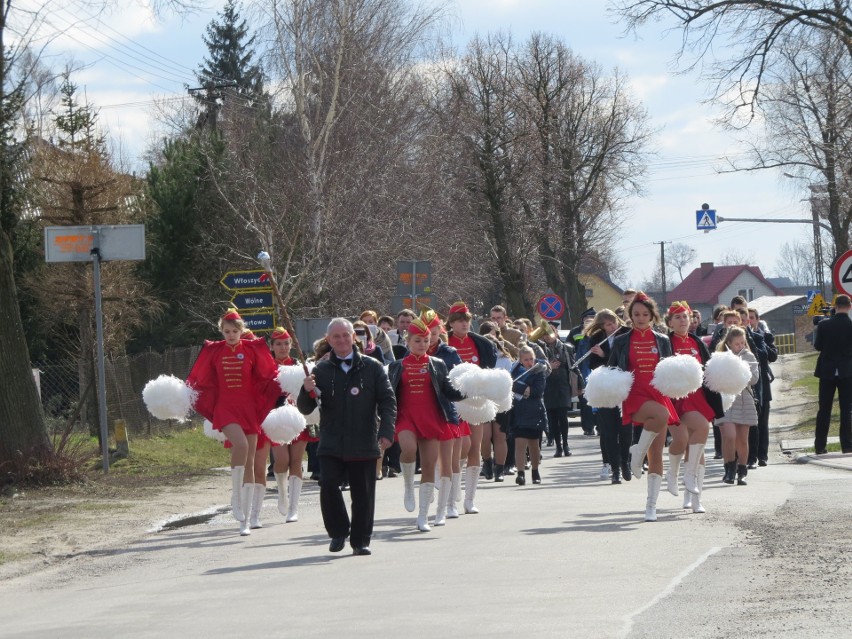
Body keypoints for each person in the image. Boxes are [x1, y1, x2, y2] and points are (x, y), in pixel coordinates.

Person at [297, 318, 397, 556]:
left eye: (345, 335)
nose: (341, 340)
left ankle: (360, 540)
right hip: (332, 440)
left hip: (364, 439)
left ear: (354, 337)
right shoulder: (320, 370)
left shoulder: (371, 367)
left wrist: (386, 431)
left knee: (363, 493)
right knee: (329, 485)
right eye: (336, 337)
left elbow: (387, 401)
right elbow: (304, 408)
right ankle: (338, 531)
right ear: (328, 340)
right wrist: (306, 390)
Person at [186, 308, 280, 536]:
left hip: (248, 408)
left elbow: (268, 373)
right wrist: (185, 392)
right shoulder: (214, 350)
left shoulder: (252, 349)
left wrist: (287, 380)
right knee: (242, 445)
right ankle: (236, 496)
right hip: (225, 408)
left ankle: (244, 520)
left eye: (234, 331)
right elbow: (198, 376)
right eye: (226, 331)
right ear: (222, 331)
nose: (230, 335)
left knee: (249, 462)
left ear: (241, 331)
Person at [607, 292, 679, 522]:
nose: (640, 318)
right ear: (630, 315)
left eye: (645, 314)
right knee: (662, 415)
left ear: (652, 315)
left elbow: (669, 369)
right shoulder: (621, 340)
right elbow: (612, 370)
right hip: (635, 394)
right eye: (636, 314)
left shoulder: (663, 340)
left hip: (657, 393)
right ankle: (636, 452)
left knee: (657, 453)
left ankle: (651, 505)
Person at [388, 316, 465, 531]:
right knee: (409, 449)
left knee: (430, 465)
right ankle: (407, 486)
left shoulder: (438, 364)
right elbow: (389, 394)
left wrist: (469, 391)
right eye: (417, 341)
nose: (422, 344)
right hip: (406, 416)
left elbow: (448, 391)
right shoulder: (396, 366)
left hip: (431, 417)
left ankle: (423, 516)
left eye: (425, 340)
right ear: (407, 341)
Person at [665, 302, 725, 512]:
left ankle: (694, 498)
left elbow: (707, 369)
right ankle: (677, 474)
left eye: (685, 317)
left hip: (697, 397)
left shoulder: (696, 341)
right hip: (676, 399)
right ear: (670, 322)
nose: (682, 320)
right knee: (692, 435)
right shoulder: (666, 342)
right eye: (678, 317)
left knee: (698, 452)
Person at [445, 300, 498, 514]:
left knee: (476, 446)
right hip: (453, 402)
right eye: (459, 321)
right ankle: (450, 499)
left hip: (475, 401)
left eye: (466, 320)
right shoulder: (445, 343)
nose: (464, 324)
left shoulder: (479, 343)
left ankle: (469, 499)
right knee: (458, 449)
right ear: (451, 323)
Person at [266, 327, 316, 525]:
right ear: (272, 346)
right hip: (274, 418)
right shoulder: (266, 366)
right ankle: (282, 493)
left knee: (296, 461)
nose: (283, 347)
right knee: (281, 460)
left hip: (297, 418)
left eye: (286, 343)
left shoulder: (299, 365)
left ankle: (293, 508)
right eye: (278, 344)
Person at [585, 309, 630, 483]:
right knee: (609, 431)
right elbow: (593, 365)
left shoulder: (626, 334)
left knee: (626, 430)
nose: (612, 327)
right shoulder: (596, 339)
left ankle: (625, 462)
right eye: (608, 325)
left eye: (613, 323)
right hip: (605, 388)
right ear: (602, 327)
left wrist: (606, 356)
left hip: (625, 386)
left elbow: (627, 360)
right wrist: (602, 356)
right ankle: (615, 469)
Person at [715, 326, 760, 486]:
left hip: (743, 400)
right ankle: (729, 468)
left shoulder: (749, 356)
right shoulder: (720, 357)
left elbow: (754, 378)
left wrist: (740, 371)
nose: (740, 346)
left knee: (742, 439)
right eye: (737, 344)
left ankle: (742, 471)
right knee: (729, 435)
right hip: (726, 400)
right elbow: (713, 377)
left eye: (742, 343)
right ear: (728, 343)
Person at [813, 295, 852, 454]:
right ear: (849, 307)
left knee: (824, 409)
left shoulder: (823, 325)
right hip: (847, 371)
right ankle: (847, 445)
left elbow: (818, 346)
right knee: (846, 409)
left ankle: (820, 445)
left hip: (827, 371)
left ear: (835, 306)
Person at [478, 321, 515, 480]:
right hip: (483, 402)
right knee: (484, 437)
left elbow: (510, 380)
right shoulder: (478, 360)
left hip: (500, 402)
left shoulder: (505, 360)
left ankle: (500, 469)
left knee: (500, 436)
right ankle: (487, 462)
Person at [510, 346, 548, 485]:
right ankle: (520, 473)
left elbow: (537, 391)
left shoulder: (539, 370)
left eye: (531, 358)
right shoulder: (514, 371)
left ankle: (535, 471)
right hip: (519, 410)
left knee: (533, 444)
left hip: (535, 410)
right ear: (520, 360)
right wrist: (524, 388)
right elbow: (510, 384)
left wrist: (520, 387)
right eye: (526, 360)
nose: (529, 362)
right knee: (520, 443)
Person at [536, 321, 573, 458]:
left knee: (563, 417)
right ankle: (558, 446)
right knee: (552, 418)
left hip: (562, 385)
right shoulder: (540, 349)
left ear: (556, 333)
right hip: (548, 385)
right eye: (545, 334)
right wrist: (549, 366)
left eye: (550, 334)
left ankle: (566, 444)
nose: (548, 337)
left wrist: (579, 385)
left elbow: (573, 367)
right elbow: (537, 366)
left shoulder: (565, 348)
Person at [747, 307, 777, 467]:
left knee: (763, 422)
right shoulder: (738, 338)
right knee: (751, 423)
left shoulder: (762, 337)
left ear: (757, 320)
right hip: (748, 387)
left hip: (763, 386)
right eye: (747, 317)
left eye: (752, 318)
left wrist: (763, 339)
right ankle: (750, 456)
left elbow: (770, 355)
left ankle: (762, 455)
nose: (749, 320)